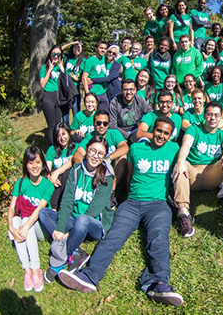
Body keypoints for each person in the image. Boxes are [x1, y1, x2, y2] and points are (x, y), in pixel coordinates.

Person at [57, 117, 184, 307]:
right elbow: (130, 175)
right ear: (153, 130)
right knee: (113, 237)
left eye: (166, 133)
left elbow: (186, 151)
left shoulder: (174, 149)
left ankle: (158, 283)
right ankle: (90, 276)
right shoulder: (136, 149)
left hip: (158, 204)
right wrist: (127, 197)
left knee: (158, 238)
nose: (161, 136)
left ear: (170, 136)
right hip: (132, 202)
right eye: (159, 131)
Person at [39, 136, 115, 283]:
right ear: (86, 150)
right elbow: (67, 200)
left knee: (82, 220)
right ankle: (76, 252)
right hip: (75, 220)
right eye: (93, 150)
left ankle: (61, 261)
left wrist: (69, 232)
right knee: (44, 213)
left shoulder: (107, 176)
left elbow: (94, 210)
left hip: (93, 224)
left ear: (104, 156)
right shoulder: (76, 170)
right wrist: (61, 227)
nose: (95, 156)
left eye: (100, 153)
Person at [172, 102, 223, 237]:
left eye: (216, 115)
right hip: (193, 174)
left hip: (212, 173)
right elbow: (186, 145)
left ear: (220, 118)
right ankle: (184, 213)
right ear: (204, 115)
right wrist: (180, 161)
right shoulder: (194, 129)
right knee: (181, 164)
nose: (213, 118)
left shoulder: (221, 134)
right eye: (209, 114)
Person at [7, 146, 54, 292]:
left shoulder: (47, 185)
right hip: (25, 225)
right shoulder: (21, 183)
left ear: (43, 164)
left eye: (38, 162)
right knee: (16, 220)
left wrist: (25, 226)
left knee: (27, 218)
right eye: (31, 163)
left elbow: (39, 209)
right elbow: (11, 207)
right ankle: (27, 269)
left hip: (40, 228)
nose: (35, 166)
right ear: (26, 165)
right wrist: (11, 228)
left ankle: (36, 269)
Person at [73, 110, 129, 204]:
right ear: (94, 124)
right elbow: (77, 154)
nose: (101, 126)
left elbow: (125, 147)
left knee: (123, 157)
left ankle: (111, 191)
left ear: (108, 124)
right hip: (94, 170)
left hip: (112, 170)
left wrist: (108, 158)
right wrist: (87, 165)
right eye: (98, 123)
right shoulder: (90, 137)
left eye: (105, 123)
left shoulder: (114, 134)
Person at [46, 122, 78, 210]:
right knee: (56, 177)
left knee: (66, 172)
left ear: (68, 133)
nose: (62, 138)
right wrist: (51, 177)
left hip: (71, 179)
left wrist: (56, 172)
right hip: (57, 182)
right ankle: (53, 208)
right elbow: (47, 169)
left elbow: (70, 162)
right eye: (58, 135)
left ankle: (58, 208)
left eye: (64, 134)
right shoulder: (52, 149)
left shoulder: (76, 147)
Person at [40, 45, 65, 145]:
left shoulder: (61, 68)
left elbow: (66, 82)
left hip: (58, 96)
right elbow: (42, 84)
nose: (56, 56)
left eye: (58, 54)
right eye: (54, 54)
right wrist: (49, 70)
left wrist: (62, 69)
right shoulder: (44, 67)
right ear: (50, 55)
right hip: (48, 96)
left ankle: (58, 145)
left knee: (58, 124)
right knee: (51, 125)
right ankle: (53, 147)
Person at [82, 41, 109, 110]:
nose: (103, 50)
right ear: (96, 49)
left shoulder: (105, 59)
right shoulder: (90, 61)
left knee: (103, 115)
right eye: (101, 48)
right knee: (92, 116)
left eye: (105, 49)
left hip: (103, 92)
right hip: (93, 92)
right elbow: (84, 78)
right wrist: (88, 93)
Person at [62, 41, 86, 116]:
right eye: (75, 47)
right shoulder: (68, 58)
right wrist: (71, 43)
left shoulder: (84, 61)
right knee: (65, 110)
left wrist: (77, 79)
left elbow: (85, 75)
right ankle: (66, 126)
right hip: (65, 86)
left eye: (78, 47)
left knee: (75, 109)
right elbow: (59, 50)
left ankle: (76, 126)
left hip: (75, 87)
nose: (76, 49)